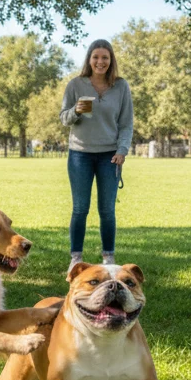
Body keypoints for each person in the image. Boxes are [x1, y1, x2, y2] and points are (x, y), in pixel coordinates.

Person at [59, 39, 134, 273]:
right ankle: (76, 257)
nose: (100, 62)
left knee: (107, 210)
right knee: (80, 208)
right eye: (96, 57)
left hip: (110, 155)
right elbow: (64, 118)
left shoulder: (121, 87)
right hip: (80, 154)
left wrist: (122, 150)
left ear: (111, 61)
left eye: (105, 57)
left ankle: (108, 257)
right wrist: (76, 111)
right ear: (89, 60)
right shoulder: (75, 85)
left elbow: (126, 123)